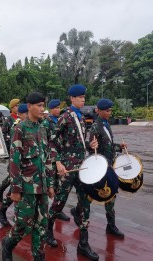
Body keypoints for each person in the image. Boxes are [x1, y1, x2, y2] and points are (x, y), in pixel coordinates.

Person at [46, 84, 99, 260]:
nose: (83, 99)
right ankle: (47, 229)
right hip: (68, 168)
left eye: (84, 97)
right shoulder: (65, 116)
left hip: (81, 166)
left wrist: (91, 145)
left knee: (85, 203)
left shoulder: (81, 117)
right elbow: (52, 141)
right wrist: (58, 162)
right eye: (80, 97)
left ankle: (83, 244)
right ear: (72, 99)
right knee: (60, 201)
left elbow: (82, 140)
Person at [1, 93, 55, 261]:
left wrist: (51, 184)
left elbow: (47, 159)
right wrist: (15, 189)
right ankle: (8, 243)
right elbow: (14, 161)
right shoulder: (20, 128)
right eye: (38, 105)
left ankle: (38, 257)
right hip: (26, 188)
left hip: (42, 187)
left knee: (41, 226)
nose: (42, 109)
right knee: (23, 225)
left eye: (43, 105)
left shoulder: (42, 128)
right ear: (29, 106)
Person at [72, 98, 125, 238]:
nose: (110, 112)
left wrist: (120, 146)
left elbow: (108, 144)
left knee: (111, 194)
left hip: (109, 165)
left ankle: (111, 225)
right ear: (100, 111)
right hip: (101, 167)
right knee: (92, 194)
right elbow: (92, 148)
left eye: (110, 110)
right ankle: (78, 211)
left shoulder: (107, 125)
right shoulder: (96, 127)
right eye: (107, 110)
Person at [0, 103, 28, 227]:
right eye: (26, 113)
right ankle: (2, 208)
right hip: (18, 164)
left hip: (29, 167)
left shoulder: (34, 126)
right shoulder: (17, 126)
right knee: (15, 190)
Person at [42, 99, 71, 222]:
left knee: (60, 184)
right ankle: (48, 210)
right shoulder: (46, 123)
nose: (58, 110)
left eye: (59, 108)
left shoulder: (60, 121)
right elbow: (47, 142)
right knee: (51, 184)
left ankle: (58, 209)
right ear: (51, 109)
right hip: (50, 157)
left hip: (61, 156)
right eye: (56, 108)